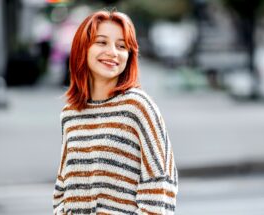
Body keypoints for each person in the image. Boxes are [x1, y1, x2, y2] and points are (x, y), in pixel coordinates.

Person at [53, 9, 178, 215]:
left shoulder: (137, 107)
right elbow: (62, 185)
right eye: (102, 42)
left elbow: (161, 182)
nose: (113, 52)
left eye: (121, 46)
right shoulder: (70, 114)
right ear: (82, 48)